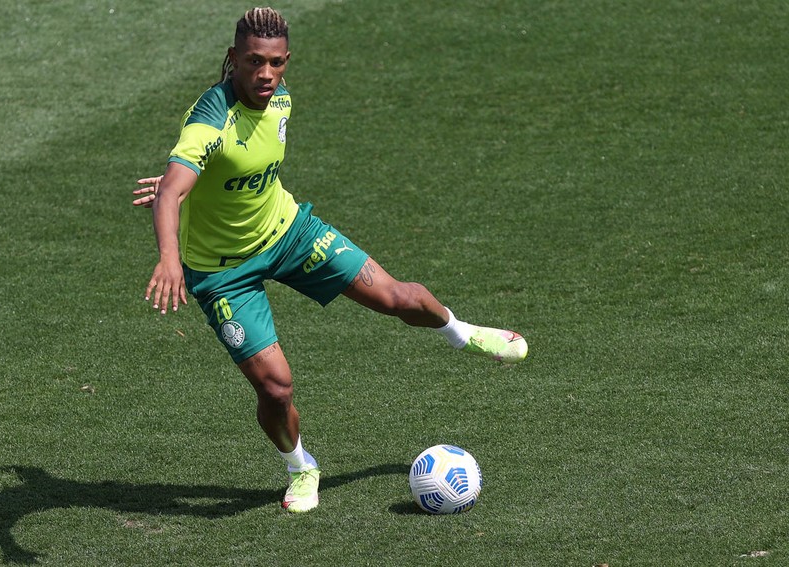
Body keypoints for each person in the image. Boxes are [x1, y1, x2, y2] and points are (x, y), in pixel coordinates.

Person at [133, 6, 527, 513]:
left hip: (290, 231)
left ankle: (461, 332)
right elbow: (172, 193)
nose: (266, 74)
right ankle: (301, 466)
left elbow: (227, 173)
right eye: (254, 62)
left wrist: (189, 182)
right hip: (223, 271)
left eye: (276, 63)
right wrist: (169, 253)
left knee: (399, 297)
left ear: (287, 61)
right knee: (276, 388)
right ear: (233, 59)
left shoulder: (281, 100)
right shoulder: (211, 117)